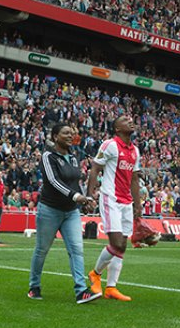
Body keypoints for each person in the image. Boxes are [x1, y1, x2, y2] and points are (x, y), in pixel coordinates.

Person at [28, 123, 101, 304]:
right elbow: (53, 181)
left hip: (71, 212)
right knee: (42, 250)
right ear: (55, 136)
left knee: (76, 249)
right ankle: (34, 286)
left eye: (72, 133)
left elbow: (75, 182)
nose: (70, 135)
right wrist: (76, 196)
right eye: (65, 133)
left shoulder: (74, 157)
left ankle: (81, 290)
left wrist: (83, 201)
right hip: (49, 210)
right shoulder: (48, 156)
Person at [87, 116, 141, 302]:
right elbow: (95, 168)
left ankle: (111, 288)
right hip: (111, 198)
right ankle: (95, 273)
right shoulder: (109, 145)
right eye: (125, 120)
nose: (130, 121)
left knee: (122, 246)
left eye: (131, 119)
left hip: (127, 202)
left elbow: (135, 179)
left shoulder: (135, 150)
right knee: (117, 243)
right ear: (117, 128)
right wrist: (89, 194)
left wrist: (138, 205)